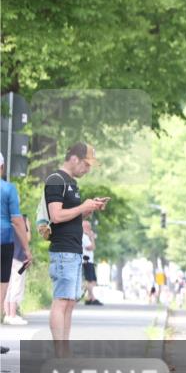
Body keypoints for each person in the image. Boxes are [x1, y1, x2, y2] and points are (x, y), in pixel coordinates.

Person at [45, 144, 107, 351]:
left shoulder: (72, 183)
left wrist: (89, 209)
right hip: (63, 250)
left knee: (70, 302)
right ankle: (59, 352)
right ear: (74, 159)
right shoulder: (56, 180)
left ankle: (64, 349)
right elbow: (56, 215)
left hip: (74, 250)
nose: (87, 170)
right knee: (61, 300)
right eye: (86, 164)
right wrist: (82, 206)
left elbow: (72, 217)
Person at [2, 153, 32, 326]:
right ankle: (10, 314)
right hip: (9, 248)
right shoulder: (8, 190)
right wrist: (28, 250)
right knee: (7, 285)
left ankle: (8, 313)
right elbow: (19, 225)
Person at [4, 216, 31, 324]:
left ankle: (7, 315)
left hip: (5, 257)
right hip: (20, 258)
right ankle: (13, 315)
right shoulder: (23, 219)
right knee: (17, 284)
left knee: (7, 285)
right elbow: (28, 238)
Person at [81, 220, 102, 305]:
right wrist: (92, 237)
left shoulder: (86, 236)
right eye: (88, 227)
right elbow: (91, 247)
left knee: (92, 281)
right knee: (90, 280)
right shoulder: (83, 236)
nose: (90, 229)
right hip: (87, 261)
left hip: (89, 260)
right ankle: (91, 297)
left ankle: (89, 297)